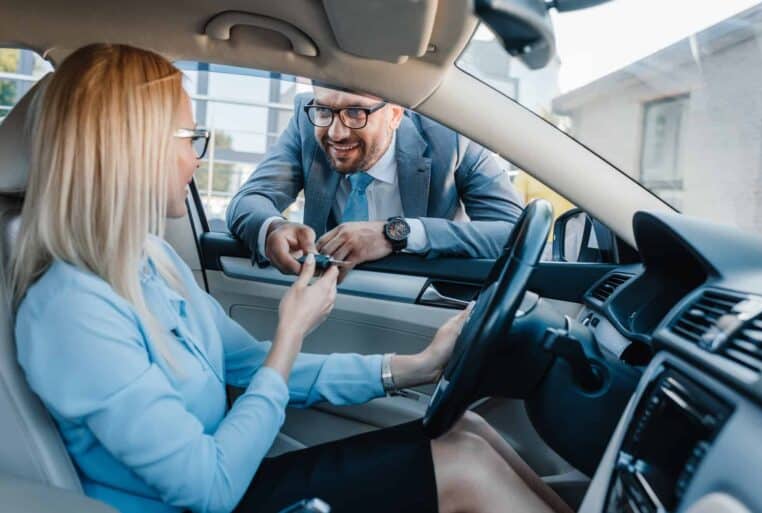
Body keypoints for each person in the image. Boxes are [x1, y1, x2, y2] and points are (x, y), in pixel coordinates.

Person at [12, 44, 570, 513]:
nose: (199, 159)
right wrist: (291, 334)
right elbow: (210, 487)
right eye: (189, 137)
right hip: (210, 500)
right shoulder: (70, 309)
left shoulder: (150, 261)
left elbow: (248, 365)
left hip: (239, 479)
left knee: (466, 433)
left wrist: (414, 367)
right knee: (463, 463)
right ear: (131, 149)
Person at [226, 86, 525, 276]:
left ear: (395, 114)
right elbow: (249, 201)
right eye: (325, 111)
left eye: (356, 113)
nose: (335, 134)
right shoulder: (307, 121)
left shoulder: (452, 137)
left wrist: (396, 234)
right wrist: (274, 229)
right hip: (327, 300)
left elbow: (513, 233)